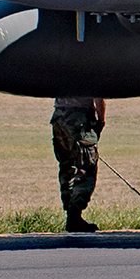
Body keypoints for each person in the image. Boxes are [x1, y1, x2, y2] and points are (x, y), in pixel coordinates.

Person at [51, 96, 106, 232]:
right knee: (87, 168)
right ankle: (74, 215)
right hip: (80, 119)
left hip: (59, 115)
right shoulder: (90, 73)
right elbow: (99, 97)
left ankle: (71, 214)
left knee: (67, 166)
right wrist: (101, 121)